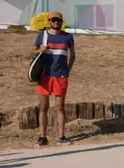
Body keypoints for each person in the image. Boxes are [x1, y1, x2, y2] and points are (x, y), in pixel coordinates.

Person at [33, 11, 75, 147]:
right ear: (49, 21)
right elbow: (32, 52)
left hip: (60, 76)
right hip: (44, 76)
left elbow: (73, 55)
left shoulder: (68, 37)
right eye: (54, 20)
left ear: (62, 22)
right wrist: (41, 50)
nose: (56, 22)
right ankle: (42, 137)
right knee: (43, 107)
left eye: (59, 20)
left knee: (60, 107)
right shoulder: (42, 36)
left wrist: (67, 71)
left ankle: (61, 136)